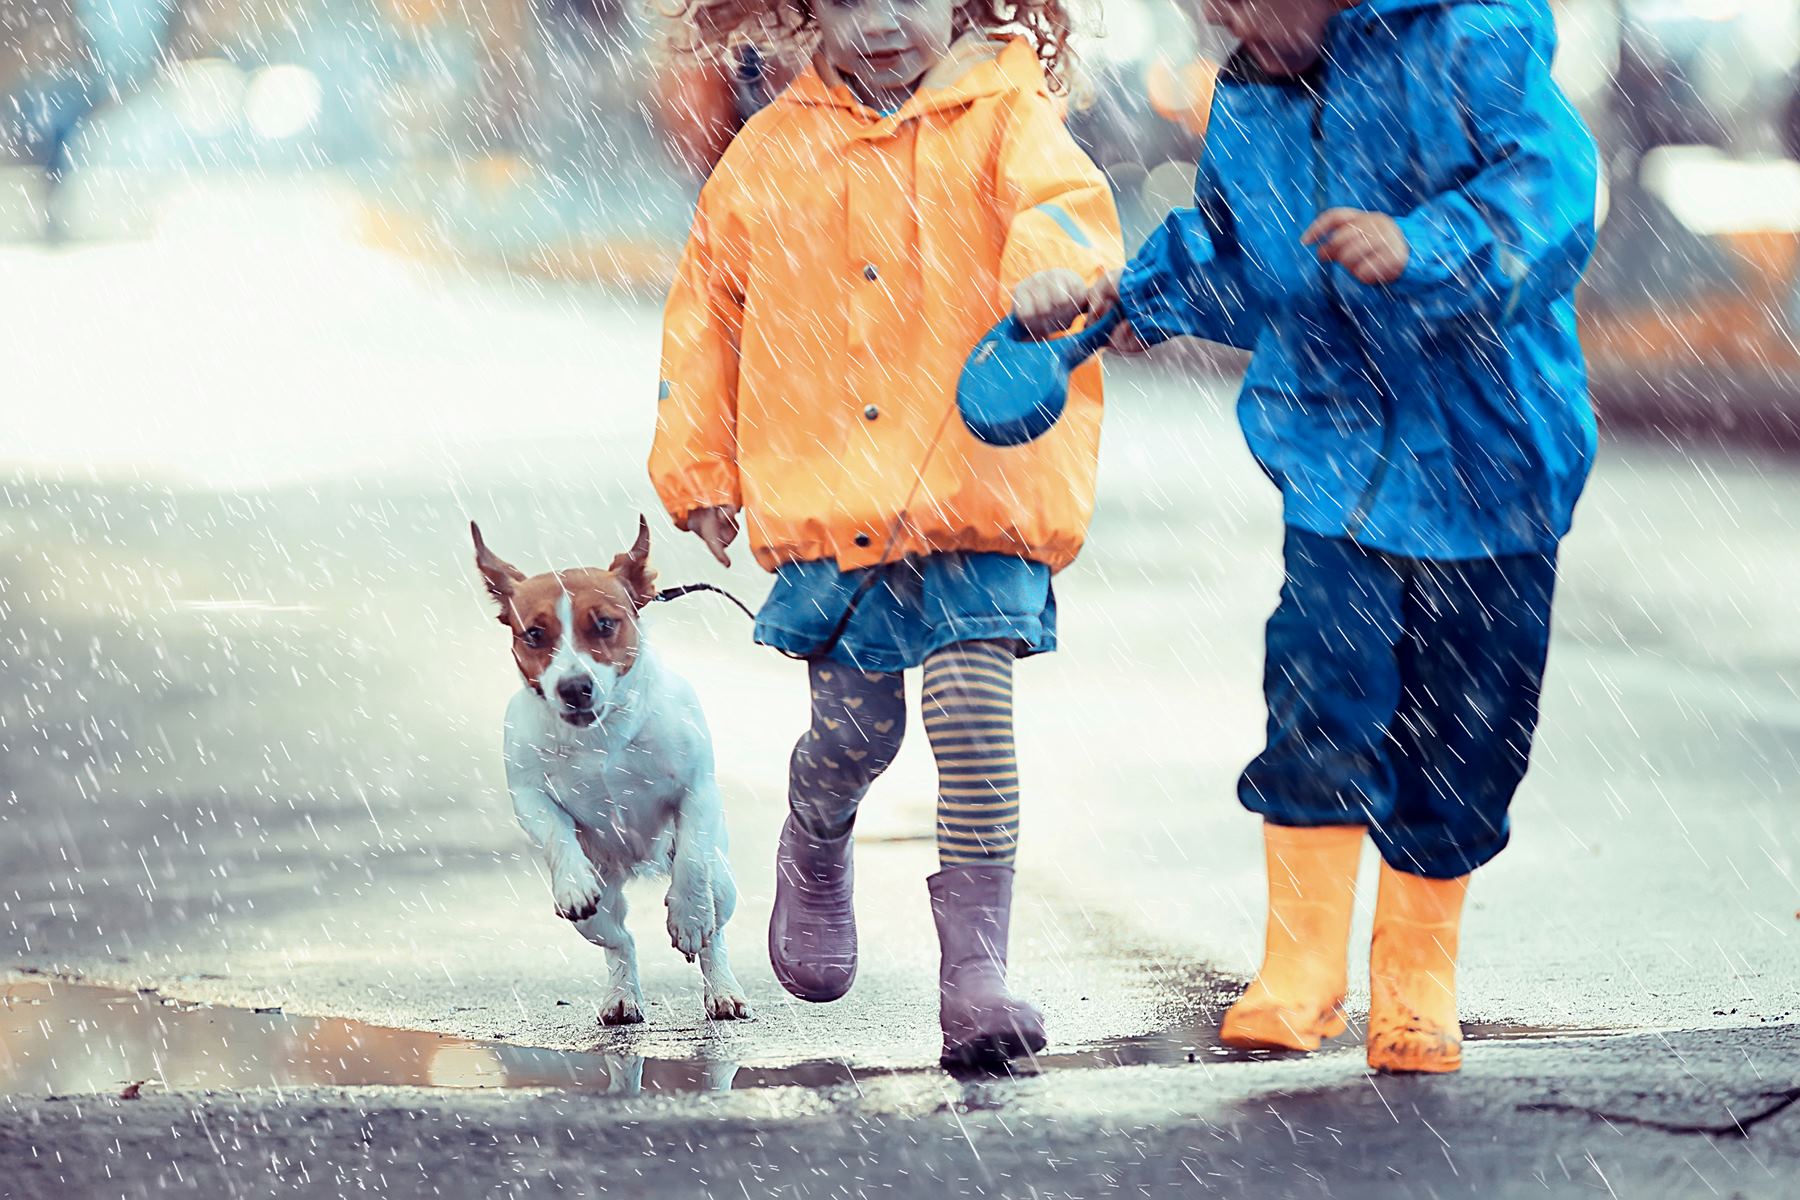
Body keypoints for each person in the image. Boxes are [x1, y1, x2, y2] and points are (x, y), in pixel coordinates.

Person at [1022, 0, 1598, 1073]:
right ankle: (1300, 969)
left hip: (1494, 455)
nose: (1225, 14)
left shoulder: (1472, 42)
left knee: (1472, 730)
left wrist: (1423, 244)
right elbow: (1242, 252)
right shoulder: (1251, 93)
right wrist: (1135, 301)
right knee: (1320, 690)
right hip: (1338, 457)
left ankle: (1419, 977)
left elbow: (1552, 195)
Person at [650, 0, 1123, 1067]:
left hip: (974, 485)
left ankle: (976, 977)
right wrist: (700, 467)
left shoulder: (1007, 115)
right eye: (848, 0)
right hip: (834, 500)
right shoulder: (769, 153)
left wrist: (1052, 271)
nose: (879, 24)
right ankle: (815, 840)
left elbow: (1063, 207)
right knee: (857, 734)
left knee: (969, 713)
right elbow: (708, 311)